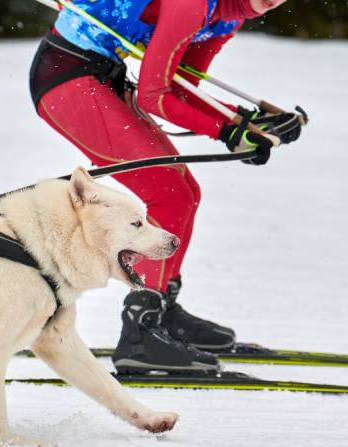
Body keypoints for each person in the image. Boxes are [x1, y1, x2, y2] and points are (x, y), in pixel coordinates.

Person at [29, 0, 298, 374]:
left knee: (185, 194)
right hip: (67, 79)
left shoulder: (226, 18)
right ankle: (141, 332)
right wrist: (230, 130)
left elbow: (181, 89)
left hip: (101, 77)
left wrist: (250, 123)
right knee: (169, 194)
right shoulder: (192, 5)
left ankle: (162, 312)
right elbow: (153, 97)